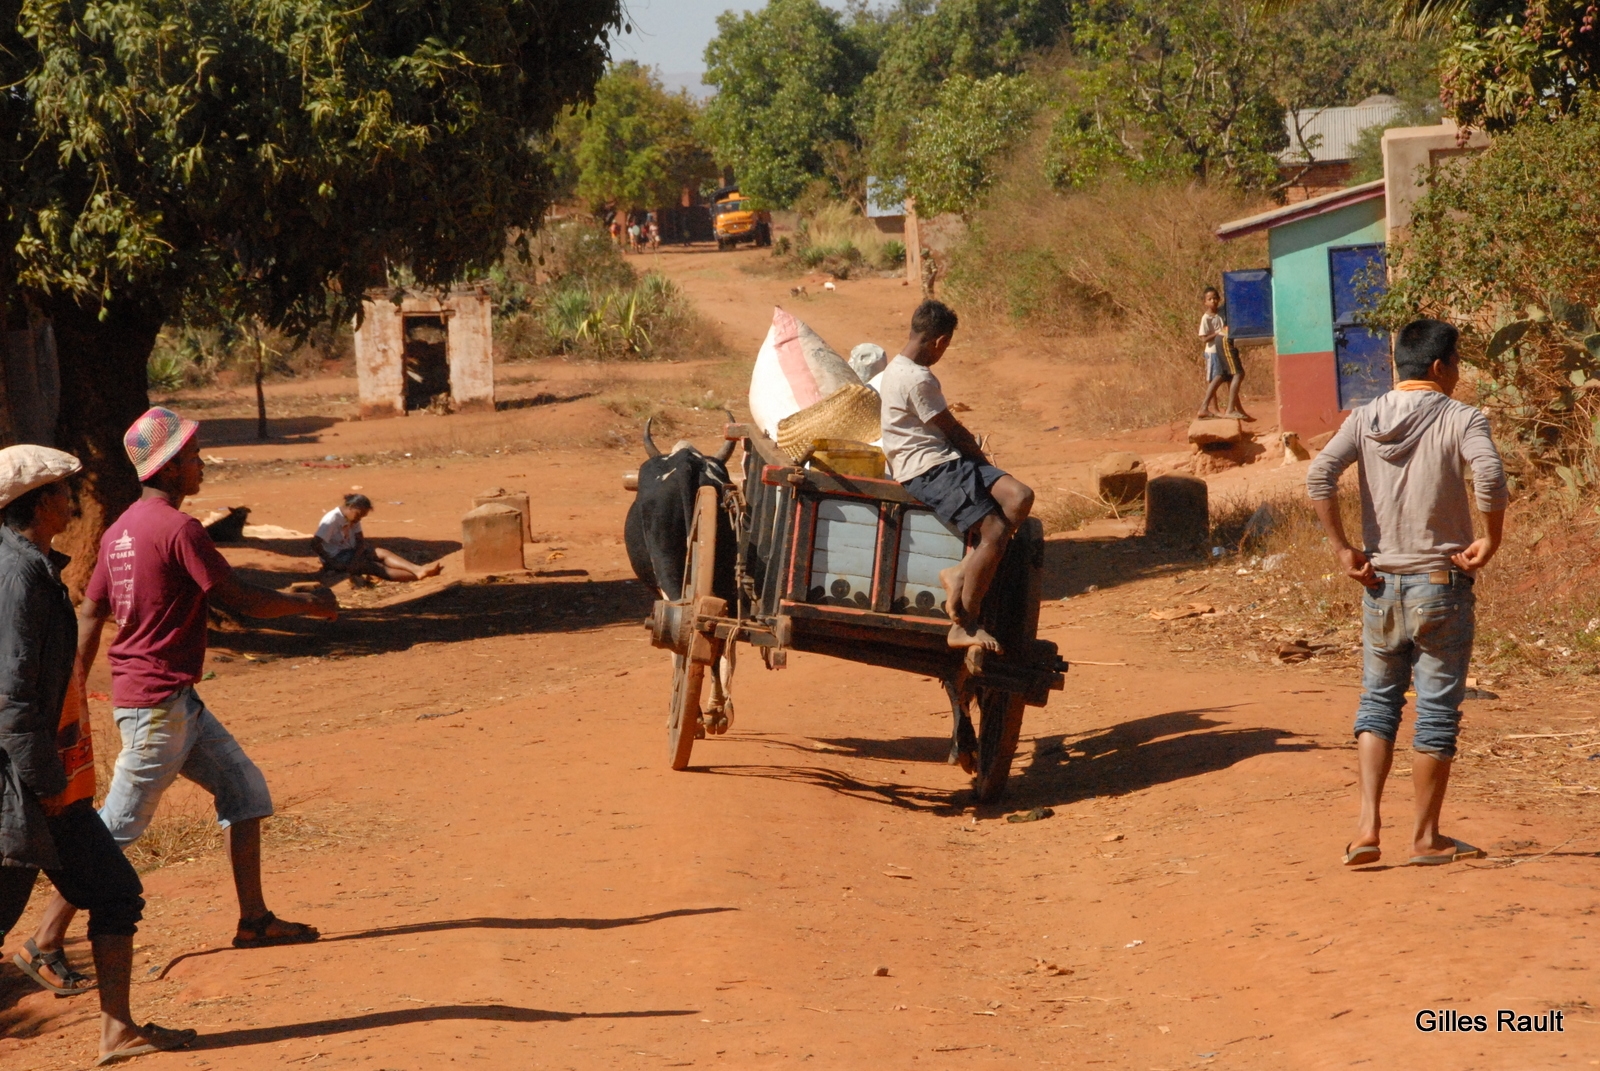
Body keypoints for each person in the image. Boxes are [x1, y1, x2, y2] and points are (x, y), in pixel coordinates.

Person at [29, 408, 338, 961]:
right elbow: (238, 600)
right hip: (157, 705)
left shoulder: (122, 529)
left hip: (170, 699)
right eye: (193, 458)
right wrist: (309, 607)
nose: (201, 468)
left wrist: (73, 687)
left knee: (245, 792)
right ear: (169, 468)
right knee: (115, 828)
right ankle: (45, 939)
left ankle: (254, 920)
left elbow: (92, 610)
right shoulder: (178, 528)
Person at [0, 444, 197, 1063]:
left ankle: (118, 1031)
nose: (72, 501)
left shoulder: (30, 566)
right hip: (28, 783)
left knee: (114, 892)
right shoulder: (22, 576)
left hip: (46, 779)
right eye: (63, 492)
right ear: (39, 503)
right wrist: (45, 781)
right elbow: (12, 694)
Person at [1306, 319, 1507, 867]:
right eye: (1458, 364)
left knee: (1377, 704)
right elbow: (1488, 475)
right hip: (1441, 586)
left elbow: (1319, 476)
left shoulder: (1365, 416)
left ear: (1399, 364)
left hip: (1380, 586)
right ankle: (1425, 838)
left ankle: (1367, 830)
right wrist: (1490, 537)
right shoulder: (1461, 417)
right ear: (1442, 368)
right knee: (1437, 713)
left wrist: (1344, 549)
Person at [879, 299, 1034, 653]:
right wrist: (981, 459)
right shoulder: (917, 379)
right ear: (940, 342)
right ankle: (965, 622)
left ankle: (962, 571)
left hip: (947, 460)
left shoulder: (898, 366)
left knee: (1020, 496)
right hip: (928, 468)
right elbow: (954, 432)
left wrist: (979, 464)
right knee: (994, 531)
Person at [313, 493, 441, 581]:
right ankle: (415, 576)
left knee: (382, 553)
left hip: (349, 553)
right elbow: (315, 543)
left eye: (363, 516)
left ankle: (418, 570)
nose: (359, 518)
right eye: (359, 514)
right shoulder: (331, 519)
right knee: (375, 568)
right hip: (336, 557)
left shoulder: (353, 518)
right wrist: (332, 563)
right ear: (351, 507)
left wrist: (356, 558)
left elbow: (360, 540)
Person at [1196, 286, 1247, 420]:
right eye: (1209, 299)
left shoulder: (1220, 312)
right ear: (1204, 302)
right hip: (1212, 352)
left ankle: (1232, 409)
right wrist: (1217, 333)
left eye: (1215, 298)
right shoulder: (1206, 318)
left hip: (1221, 349)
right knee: (1217, 377)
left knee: (1224, 376)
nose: (1213, 301)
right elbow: (1203, 338)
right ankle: (1213, 409)